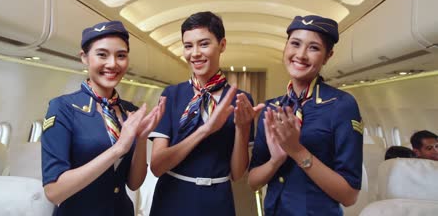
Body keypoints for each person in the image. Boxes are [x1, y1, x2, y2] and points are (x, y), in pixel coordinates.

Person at [41, 21, 166, 216]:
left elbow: (133, 184)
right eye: (102, 54)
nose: (113, 64)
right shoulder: (63, 108)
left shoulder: (129, 111)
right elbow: (54, 191)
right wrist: (119, 148)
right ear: (84, 57)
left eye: (121, 56)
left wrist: (141, 139)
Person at [148, 11, 264, 216]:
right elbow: (157, 166)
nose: (195, 53)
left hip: (217, 200)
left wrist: (243, 128)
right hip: (172, 198)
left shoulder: (239, 99)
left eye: (203, 44)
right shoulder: (172, 95)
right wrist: (207, 130)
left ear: (222, 45)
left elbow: (237, 174)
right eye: (188, 46)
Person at [248, 15, 363, 215]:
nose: (300, 55)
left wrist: (297, 150)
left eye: (314, 48)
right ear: (285, 48)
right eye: (295, 44)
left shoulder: (341, 105)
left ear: (328, 56)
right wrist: (276, 160)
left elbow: (349, 196)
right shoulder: (271, 108)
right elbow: (253, 182)